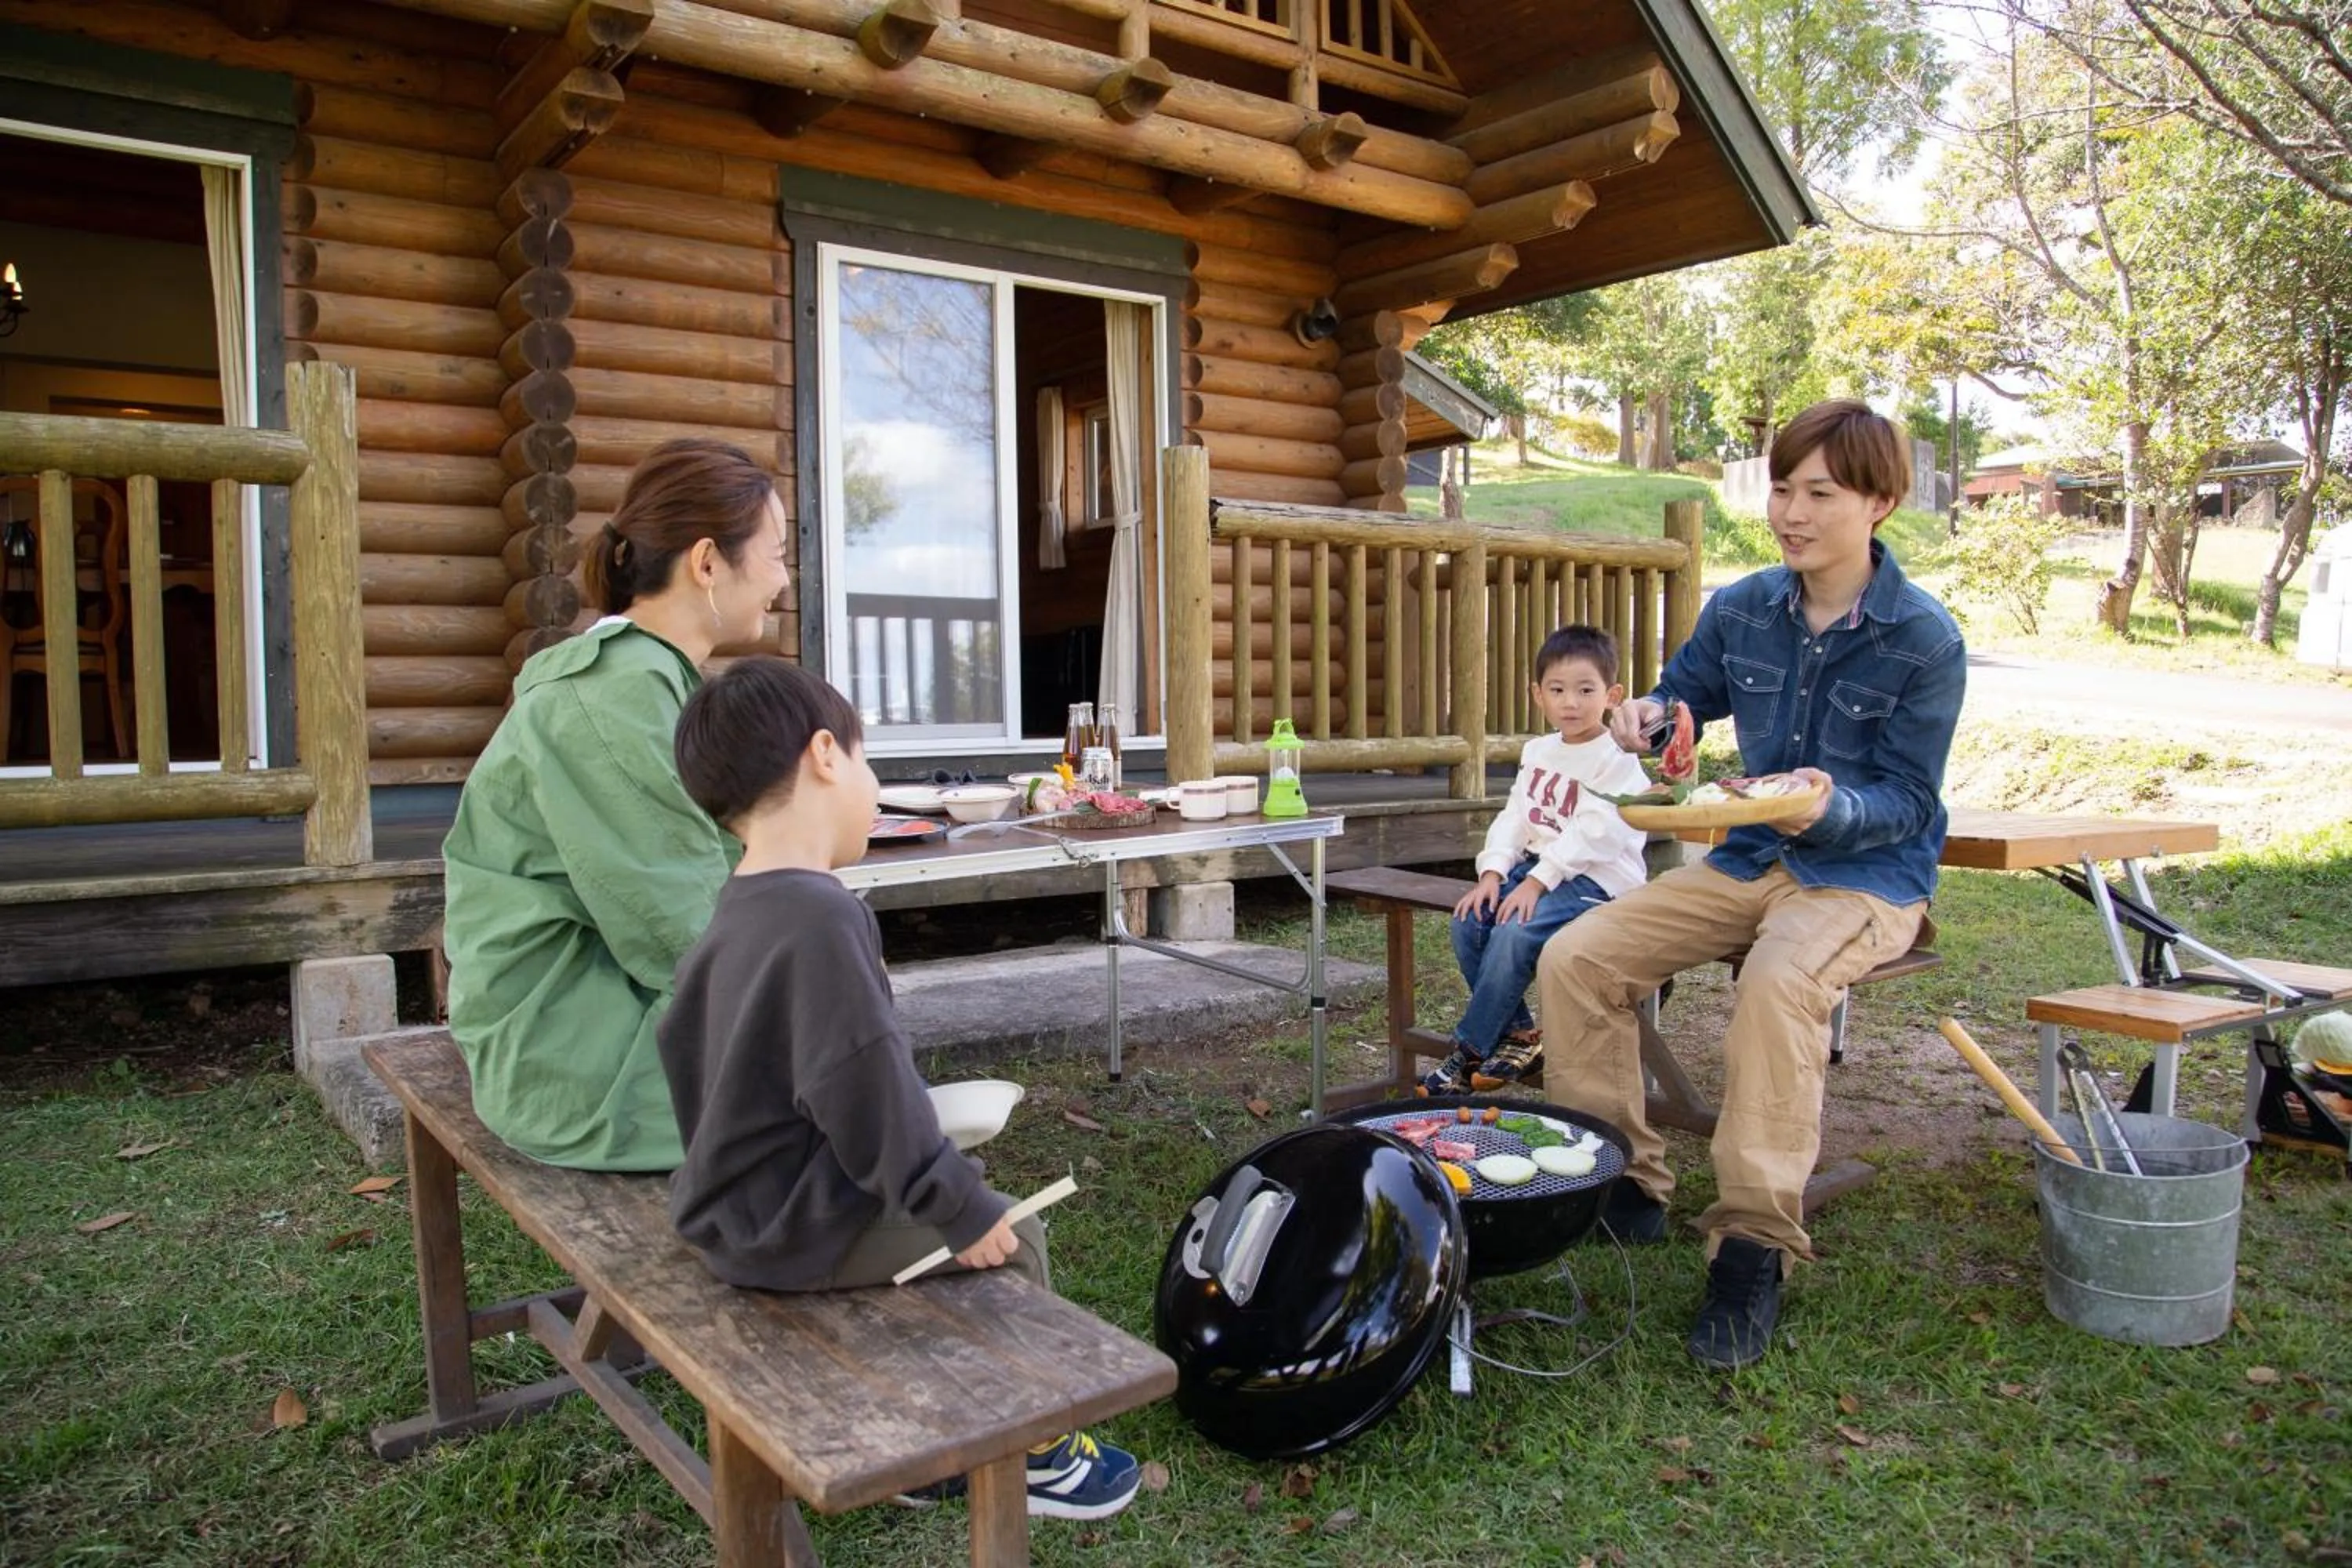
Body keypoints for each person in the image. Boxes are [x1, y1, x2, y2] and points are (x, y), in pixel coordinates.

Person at [658, 655, 1145, 1522]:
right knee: (1016, 1238)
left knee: (966, 1229)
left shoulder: (739, 904)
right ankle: (1012, 1453)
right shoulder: (819, 911)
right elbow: (860, 1081)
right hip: (788, 1226)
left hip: (734, 1206)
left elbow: (695, 1047)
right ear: (823, 757)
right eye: (869, 759)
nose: (875, 783)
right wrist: (950, 1197)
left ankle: (938, 1433)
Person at [1535, 401, 1965, 1370]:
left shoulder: (1925, 639)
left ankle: (1752, 1245)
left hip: (1863, 875)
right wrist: (1646, 714)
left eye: (1820, 491)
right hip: (1743, 858)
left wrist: (1825, 807)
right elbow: (1684, 691)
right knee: (1577, 954)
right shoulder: (1743, 606)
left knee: (1777, 983)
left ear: (1881, 502)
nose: (1791, 511)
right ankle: (1626, 1182)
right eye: (1782, 487)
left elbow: (1905, 798)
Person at [440, 439, 789, 1171]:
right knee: (841, 1097)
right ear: (706, 563)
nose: (781, 582)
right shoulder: (616, 691)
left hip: (602, 1016)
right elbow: (679, 920)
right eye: (776, 554)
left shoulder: (646, 677)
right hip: (579, 1057)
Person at [1422, 625, 1654, 1096]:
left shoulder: (1616, 757)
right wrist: (1493, 873)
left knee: (1516, 930)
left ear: (1613, 695)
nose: (1571, 702)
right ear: (1538, 695)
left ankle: (1469, 1049)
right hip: (1541, 871)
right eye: (1558, 690)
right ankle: (1520, 1036)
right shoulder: (1539, 752)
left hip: (1600, 880)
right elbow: (1516, 818)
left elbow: (1593, 832)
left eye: (1586, 690)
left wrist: (1537, 883)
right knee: (1470, 921)